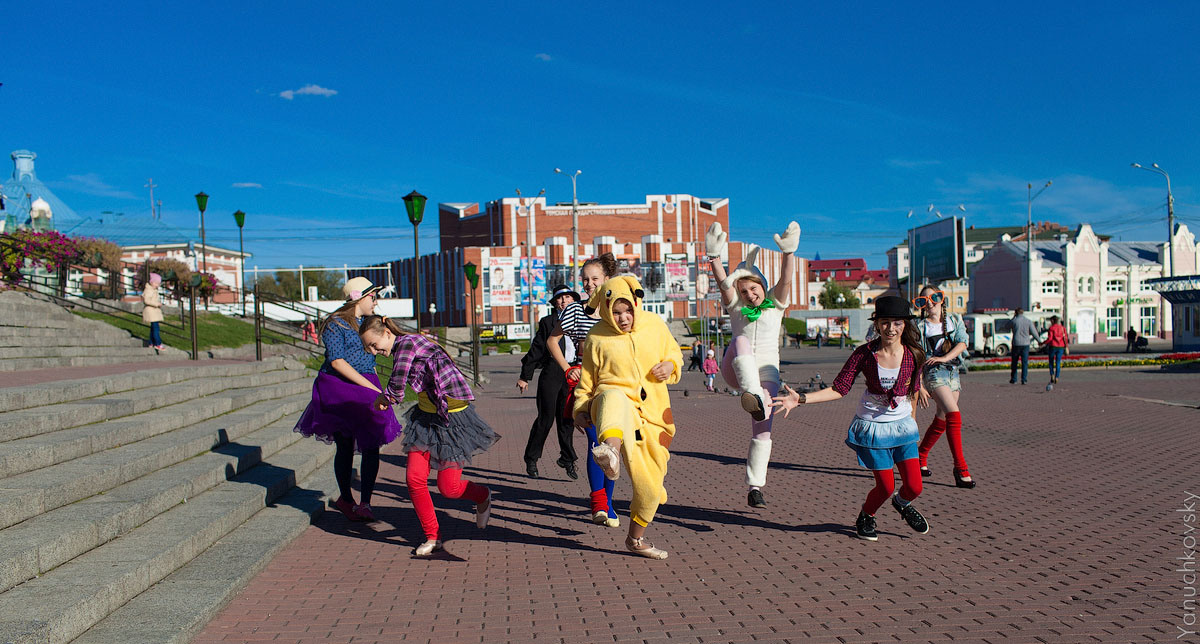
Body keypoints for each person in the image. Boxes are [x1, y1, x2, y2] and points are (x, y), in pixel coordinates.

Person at [771, 295, 931, 542]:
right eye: (885, 322)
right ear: (877, 324)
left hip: (903, 428)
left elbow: (912, 388)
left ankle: (902, 504)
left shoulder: (915, 354)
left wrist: (912, 420)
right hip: (874, 428)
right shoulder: (864, 354)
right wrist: (800, 399)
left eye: (897, 322)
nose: (891, 328)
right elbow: (839, 388)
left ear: (905, 324)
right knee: (886, 486)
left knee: (915, 487)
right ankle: (867, 515)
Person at [360, 315, 500, 556]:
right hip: (426, 417)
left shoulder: (406, 344)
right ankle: (432, 535)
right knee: (414, 478)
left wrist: (385, 398)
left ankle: (483, 495)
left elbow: (397, 383)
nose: (374, 351)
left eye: (374, 344)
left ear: (385, 332)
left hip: (452, 419)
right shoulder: (404, 347)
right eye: (369, 348)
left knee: (450, 488)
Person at [573, 276, 683, 559]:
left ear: (636, 304)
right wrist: (581, 409)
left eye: (627, 310)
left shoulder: (655, 325)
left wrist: (670, 365)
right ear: (607, 310)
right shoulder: (597, 336)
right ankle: (611, 451)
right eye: (616, 312)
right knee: (613, 396)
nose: (623, 317)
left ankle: (636, 539)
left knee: (651, 489)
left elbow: (675, 354)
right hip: (611, 406)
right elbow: (587, 382)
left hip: (653, 416)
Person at [706, 220, 800, 508]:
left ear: (762, 286)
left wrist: (788, 254)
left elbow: (785, 281)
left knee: (763, 428)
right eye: (744, 290)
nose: (749, 294)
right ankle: (754, 396)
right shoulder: (736, 307)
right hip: (735, 369)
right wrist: (714, 258)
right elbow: (724, 286)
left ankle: (755, 487)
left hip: (765, 373)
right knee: (741, 342)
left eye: (753, 288)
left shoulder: (776, 304)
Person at [293, 277, 401, 522]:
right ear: (359, 297)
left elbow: (372, 359)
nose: (376, 301)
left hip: (366, 384)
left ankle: (366, 503)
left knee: (372, 444)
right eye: (373, 296)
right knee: (345, 444)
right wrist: (371, 388)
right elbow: (336, 361)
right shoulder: (335, 323)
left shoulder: (368, 323)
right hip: (339, 387)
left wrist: (377, 386)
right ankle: (346, 499)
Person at [546, 253, 621, 527]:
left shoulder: (619, 308)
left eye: (594, 279)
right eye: (585, 280)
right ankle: (599, 502)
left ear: (607, 280)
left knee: (612, 445)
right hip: (585, 385)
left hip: (615, 384)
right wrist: (568, 368)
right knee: (594, 442)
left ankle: (609, 503)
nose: (589, 284)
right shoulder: (575, 310)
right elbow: (552, 341)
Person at [912, 285, 975, 489]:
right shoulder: (919, 327)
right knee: (953, 414)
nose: (929, 303)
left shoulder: (954, 320)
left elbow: (963, 343)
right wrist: (919, 384)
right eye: (923, 300)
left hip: (953, 372)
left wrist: (946, 357)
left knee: (942, 418)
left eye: (934, 298)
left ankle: (921, 456)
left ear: (941, 299)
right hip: (932, 373)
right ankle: (960, 468)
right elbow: (915, 357)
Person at [518, 285, 581, 480]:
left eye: (568, 298)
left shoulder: (581, 321)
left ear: (574, 301)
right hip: (552, 373)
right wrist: (524, 376)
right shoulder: (548, 322)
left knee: (567, 420)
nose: (564, 302)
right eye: (560, 299)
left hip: (573, 374)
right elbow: (537, 349)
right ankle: (531, 458)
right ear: (554, 303)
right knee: (545, 419)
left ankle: (567, 459)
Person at [1009, 308, 1040, 385]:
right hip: (1026, 344)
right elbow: (1034, 333)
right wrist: (1039, 341)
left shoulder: (1014, 321)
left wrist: (1013, 317)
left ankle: (1014, 379)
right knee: (1024, 362)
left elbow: (1006, 326)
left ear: (1016, 313)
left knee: (1014, 362)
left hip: (1016, 343)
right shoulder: (1028, 321)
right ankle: (1024, 379)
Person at [141, 272, 165, 351]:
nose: (157, 285)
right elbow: (147, 300)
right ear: (152, 282)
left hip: (154, 311)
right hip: (151, 311)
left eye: (158, 283)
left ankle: (151, 342)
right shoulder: (149, 290)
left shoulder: (153, 290)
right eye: (156, 283)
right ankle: (157, 343)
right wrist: (156, 304)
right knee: (155, 328)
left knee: (153, 328)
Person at [1045, 315, 1069, 384]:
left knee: (1051, 362)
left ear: (1052, 321)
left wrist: (1043, 343)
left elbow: (1050, 338)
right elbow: (1065, 338)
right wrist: (1066, 346)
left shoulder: (1051, 328)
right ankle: (1057, 377)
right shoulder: (1062, 328)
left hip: (1053, 346)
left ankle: (1052, 374)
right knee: (1058, 362)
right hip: (1061, 346)